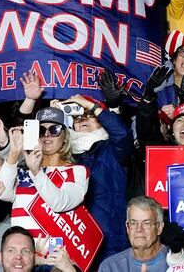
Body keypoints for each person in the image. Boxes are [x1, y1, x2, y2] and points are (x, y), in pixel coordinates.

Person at [51, 91, 132, 261]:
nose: (82, 119)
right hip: (73, 240)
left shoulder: (112, 148)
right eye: (77, 117)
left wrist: (92, 106)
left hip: (109, 241)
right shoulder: (63, 155)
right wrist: (54, 119)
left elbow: (122, 134)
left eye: (88, 115)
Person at [0, 107, 89, 237]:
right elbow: (2, 193)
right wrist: (14, 153)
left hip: (55, 252)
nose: (47, 135)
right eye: (41, 130)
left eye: (54, 130)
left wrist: (36, 172)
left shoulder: (77, 171)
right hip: (22, 251)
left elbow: (60, 203)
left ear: (65, 137)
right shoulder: (25, 169)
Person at [98, 196, 184, 272]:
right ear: (127, 227)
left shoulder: (178, 263)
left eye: (146, 223)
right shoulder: (110, 267)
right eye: (133, 223)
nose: (139, 229)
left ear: (159, 228)